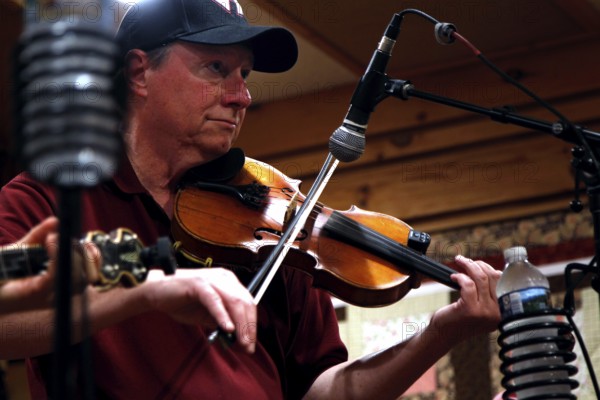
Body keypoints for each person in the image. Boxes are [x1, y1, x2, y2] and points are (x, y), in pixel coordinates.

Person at [0, 0, 502, 398]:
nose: (242, 96)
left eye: (245, 75)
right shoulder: (47, 197)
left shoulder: (270, 218)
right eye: (216, 67)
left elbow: (321, 391)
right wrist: (144, 292)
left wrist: (439, 333)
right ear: (138, 73)